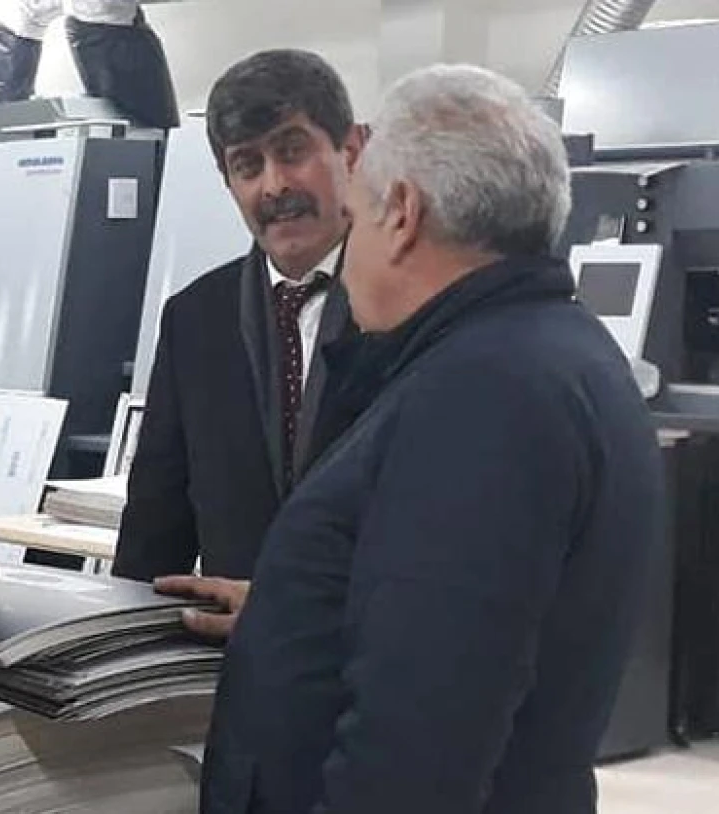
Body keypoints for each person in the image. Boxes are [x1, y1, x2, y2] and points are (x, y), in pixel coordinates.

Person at [199, 64, 664, 814]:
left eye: (357, 215)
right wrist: (298, 604)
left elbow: (417, 744)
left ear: (402, 214)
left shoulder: (483, 396)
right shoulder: (559, 354)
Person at [114, 50, 364, 604]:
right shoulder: (196, 318)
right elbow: (155, 522)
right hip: (228, 651)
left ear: (350, 150)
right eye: (247, 165)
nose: (274, 186)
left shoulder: (411, 308)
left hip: (371, 644)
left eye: (292, 152)